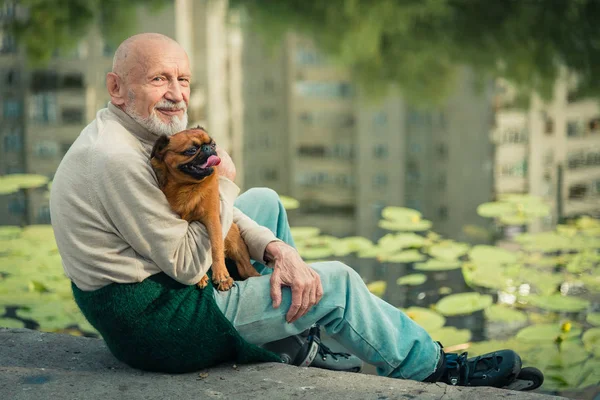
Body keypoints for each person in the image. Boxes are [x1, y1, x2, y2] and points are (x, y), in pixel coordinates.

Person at [49, 33, 541, 390]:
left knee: (263, 202)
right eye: (159, 79)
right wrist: (221, 181)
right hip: (158, 321)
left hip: (164, 290)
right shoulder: (114, 159)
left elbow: (210, 216)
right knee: (339, 283)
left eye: (183, 79)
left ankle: (292, 337)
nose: (177, 92)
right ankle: (434, 370)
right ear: (117, 88)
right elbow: (184, 264)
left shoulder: (140, 135)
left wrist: (277, 247)